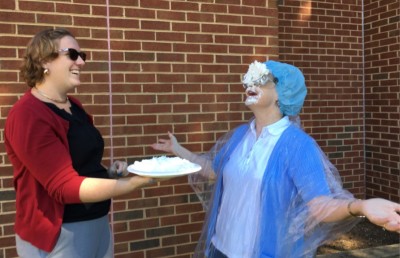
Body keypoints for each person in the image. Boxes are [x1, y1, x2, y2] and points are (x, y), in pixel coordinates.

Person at [151, 60, 400, 257]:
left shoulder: (298, 146)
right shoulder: (240, 135)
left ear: (283, 93)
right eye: (250, 79)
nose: (251, 83)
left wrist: (359, 206)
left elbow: (320, 206)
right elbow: (214, 170)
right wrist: (178, 150)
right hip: (220, 249)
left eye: (262, 80)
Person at [4, 28, 157, 258]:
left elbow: (80, 166)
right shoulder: (28, 114)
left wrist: (109, 174)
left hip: (97, 221)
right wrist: (133, 184)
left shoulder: (73, 106)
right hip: (60, 234)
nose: (81, 62)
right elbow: (63, 186)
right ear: (45, 60)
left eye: (82, 55)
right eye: (72, 54)